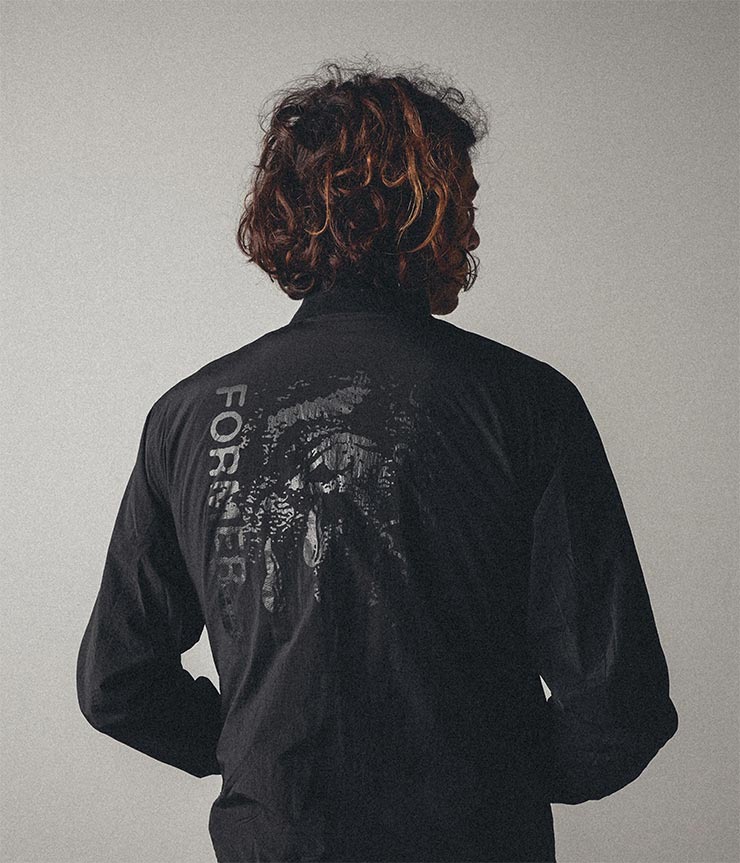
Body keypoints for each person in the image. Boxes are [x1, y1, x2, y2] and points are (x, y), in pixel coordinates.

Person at [76, 59, 679, 863]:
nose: (473, 232)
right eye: (465, 203)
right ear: (426, 207)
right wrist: (489, 776)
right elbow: (618, 707)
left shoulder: (188, 417)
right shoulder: (526, 403)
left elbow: (117, 682)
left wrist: (259, 753)